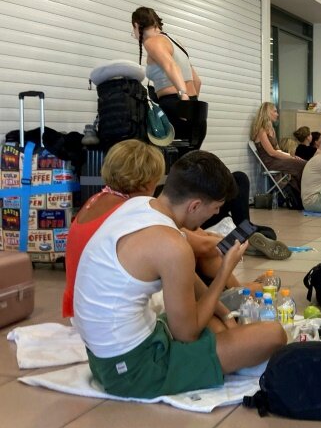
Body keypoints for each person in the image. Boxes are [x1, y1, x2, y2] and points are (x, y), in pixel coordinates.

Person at [73, 151, 287, 399]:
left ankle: (217, 349)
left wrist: (225, 312)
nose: (213, 216)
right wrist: (225, 270)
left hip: (103, 359)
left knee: (218, 323)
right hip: (133, 372)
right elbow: (187, 334)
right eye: (215, 209)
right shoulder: (173, 246)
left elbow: (190, 281)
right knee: (273, 335)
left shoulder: (140, 205)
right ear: (195, 205)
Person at [62, 141, 286, 319]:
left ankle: (229, 295)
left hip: (83, 300)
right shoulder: (133, 210)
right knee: (194, 255)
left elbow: (185, 234)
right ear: (147, 179)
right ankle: (230, 294)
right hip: (106, 307)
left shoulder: (100, 199)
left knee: (194, 250)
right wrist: (224, 248)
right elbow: (188, 242)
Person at [132, 7, 206, 149]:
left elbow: (171, 66)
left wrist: (183, 97)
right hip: (196, 111)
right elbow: (197, 81)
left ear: (136, 25)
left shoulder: (152, 42)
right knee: (189, 167)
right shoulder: (175, 41)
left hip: (175, 109)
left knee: (167, 166)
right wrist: (190, 104)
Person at [251, 102, 306, 194]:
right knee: (302, 165)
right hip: (270, 162)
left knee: (302, 163)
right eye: (275, 111)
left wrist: (292, 156)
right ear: (268, 112)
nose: (277, 114)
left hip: (276, 159)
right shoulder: (261, 130)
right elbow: (271, 152)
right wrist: (291, 158)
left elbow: (278, 150)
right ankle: (301, 194)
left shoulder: (271, 130)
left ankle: (300, 193)